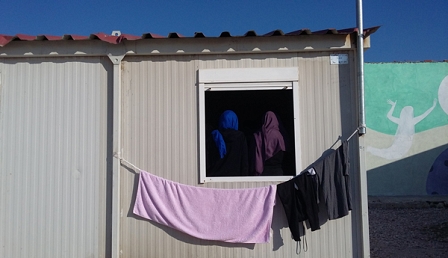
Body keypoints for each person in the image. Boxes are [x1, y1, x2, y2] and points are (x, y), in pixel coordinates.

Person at [206, 110, 249, 177]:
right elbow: (244, 161)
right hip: (235, 178)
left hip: (214, 177)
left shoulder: (215, 136)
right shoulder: (240, 137)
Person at [251, 111, 286, 176]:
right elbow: (283, 151)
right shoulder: (279, 135)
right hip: (277, 170)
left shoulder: (258, 135)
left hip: (263, 170)